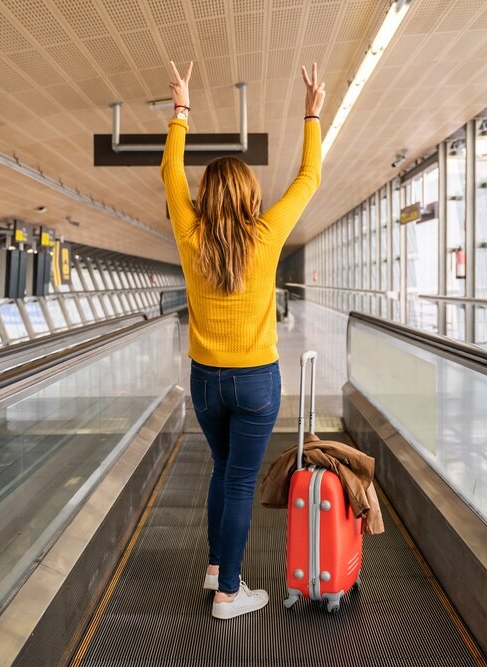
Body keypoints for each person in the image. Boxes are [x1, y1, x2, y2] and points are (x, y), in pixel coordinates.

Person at [161, 60, 325, 619]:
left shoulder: (190, 235)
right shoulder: (267, 234)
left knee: (224, 468)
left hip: (205, 383)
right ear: (251, 193)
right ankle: (230, 592)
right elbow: (310, 179)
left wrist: (181, 111)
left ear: (207, 195)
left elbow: (169, 177)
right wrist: (311, 114)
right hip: (256, 381)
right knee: (237, 482)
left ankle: (216, 568)